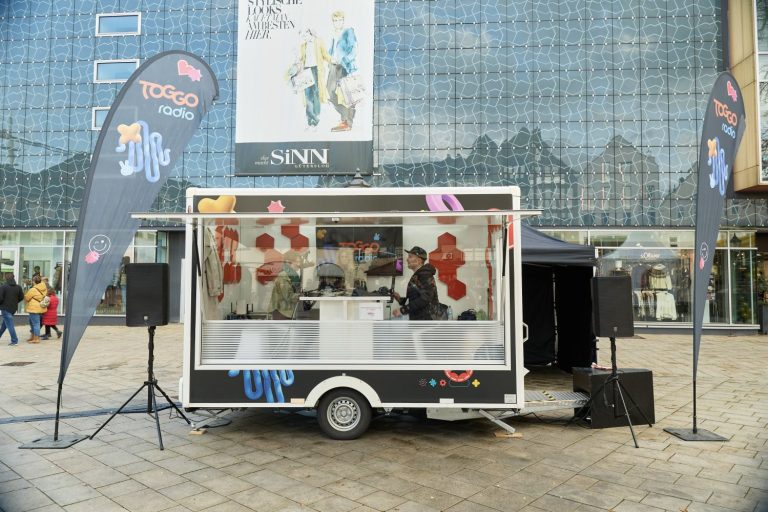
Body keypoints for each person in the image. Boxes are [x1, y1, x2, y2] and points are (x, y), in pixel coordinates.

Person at [326, 10, 357, 132]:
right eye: (335, 21)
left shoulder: (348, 32)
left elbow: (354, 50)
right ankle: (346, 116)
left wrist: (345, 60)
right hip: (333, 66)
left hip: (344, 66)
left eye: (339, 20)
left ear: (343, 21)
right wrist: (329, 61)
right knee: (329, 92)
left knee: (345, 94)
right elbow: (331, 50)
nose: (337, 23)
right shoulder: (333, 33)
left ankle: (346, 122)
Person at [391, 246, 439, 320]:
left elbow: (425, 298)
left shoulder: (424, 275)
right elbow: (415, 299)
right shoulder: (419, 274)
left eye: (410, 257)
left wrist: (403, 310)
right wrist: (400, 299)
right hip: (420, 320)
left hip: (425, 321)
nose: (407, 259)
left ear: (419, 260)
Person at [297, 28, 331, 130]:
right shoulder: (303, 46)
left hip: (316, 70)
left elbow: (325, 54)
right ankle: (311, 120)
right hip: (306, 71)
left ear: (309, 33)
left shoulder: (319, 41)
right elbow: (301, 60)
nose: (304, 38)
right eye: (302, 37)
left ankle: (316, 117)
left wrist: (332, 60)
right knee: (308, 95)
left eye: (305, 35)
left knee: (316, 93)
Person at [269, 251, 303, 320]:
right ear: (290, 262)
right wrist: (301, 295)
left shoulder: (291, 275)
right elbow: (288, 296)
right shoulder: (284, 276)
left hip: (285, 311)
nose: (299, 264)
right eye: (298, 262)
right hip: (281, 312)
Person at [0, 273, 25, 346]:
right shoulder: (18, 287)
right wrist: (15, 302)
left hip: (5, 308)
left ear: (6, 278)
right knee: (5, 324)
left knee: (10, 325)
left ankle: (14, 340)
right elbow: (21, 297)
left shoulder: (3, 287)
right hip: (13, 308)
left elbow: (0, 298)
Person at [24, 275, 48, 343]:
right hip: (40, 307)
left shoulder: (33, 289)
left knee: (35, 324)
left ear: (34, 281)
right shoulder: (44, 288)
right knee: (32, 323)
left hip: (33, 308)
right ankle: (32, 337)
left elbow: (27, 298)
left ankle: (36, 339)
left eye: (32, 281)